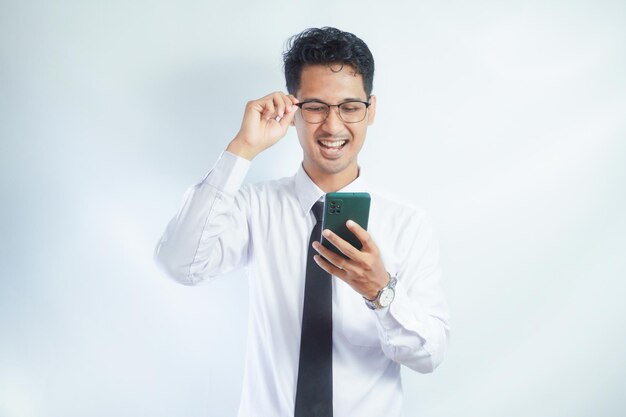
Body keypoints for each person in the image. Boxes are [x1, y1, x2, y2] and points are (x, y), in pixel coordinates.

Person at [155, 26, 450, 417]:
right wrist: (242, 149)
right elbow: (178, 263)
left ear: (370, 110)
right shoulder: (254, 208)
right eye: (315, 107)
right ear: (293, 110)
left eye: (349, 107)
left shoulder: (407, 223)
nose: (332, 126)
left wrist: (381, 292)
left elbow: (429, 355)